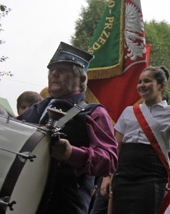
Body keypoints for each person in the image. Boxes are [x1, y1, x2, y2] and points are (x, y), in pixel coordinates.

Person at [18, 41, 118, 214]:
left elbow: (109, 159)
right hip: (24, 202)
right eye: (52, 70)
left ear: (81, 79)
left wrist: (72, 153)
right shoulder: (36, 109)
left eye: (62, 70)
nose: (54, 74)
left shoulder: (94, 113)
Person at [111, 66, 170, 213]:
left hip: (151, 176)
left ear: (161, 86)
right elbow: (115, 147)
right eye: (139, 82)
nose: (142, 85)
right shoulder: (128, 111)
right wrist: (108, 176)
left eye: (147, 81)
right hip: (124, 175)